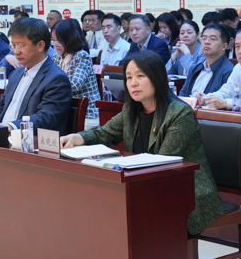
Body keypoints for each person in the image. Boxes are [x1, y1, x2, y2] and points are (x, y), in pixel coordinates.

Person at [62, 52, 223, 235]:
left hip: (185, 191)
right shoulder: (132, 109)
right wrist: (76, 138)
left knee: (122, 213)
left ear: (157, 77)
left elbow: (163, 162)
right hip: (146, 185)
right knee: (99, 203)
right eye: (129, 77)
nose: (133, 83)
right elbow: (104, 134)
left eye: (140, 76)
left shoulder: (180, 114)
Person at [180, 24, 235, 98]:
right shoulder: (195, 68)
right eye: (204, 38)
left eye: (213, 39)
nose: (206, 42)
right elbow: (183, 94)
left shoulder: (229, 71)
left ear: (224, 46)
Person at [51, 19, 98, 103]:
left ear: (69, 39)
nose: (55, 44)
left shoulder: (82, 56)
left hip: (85, 107)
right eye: (53, 40)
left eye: (59, 40)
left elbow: (75, 85)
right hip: (63, 104)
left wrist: (51, 88)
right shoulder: (56, 57)